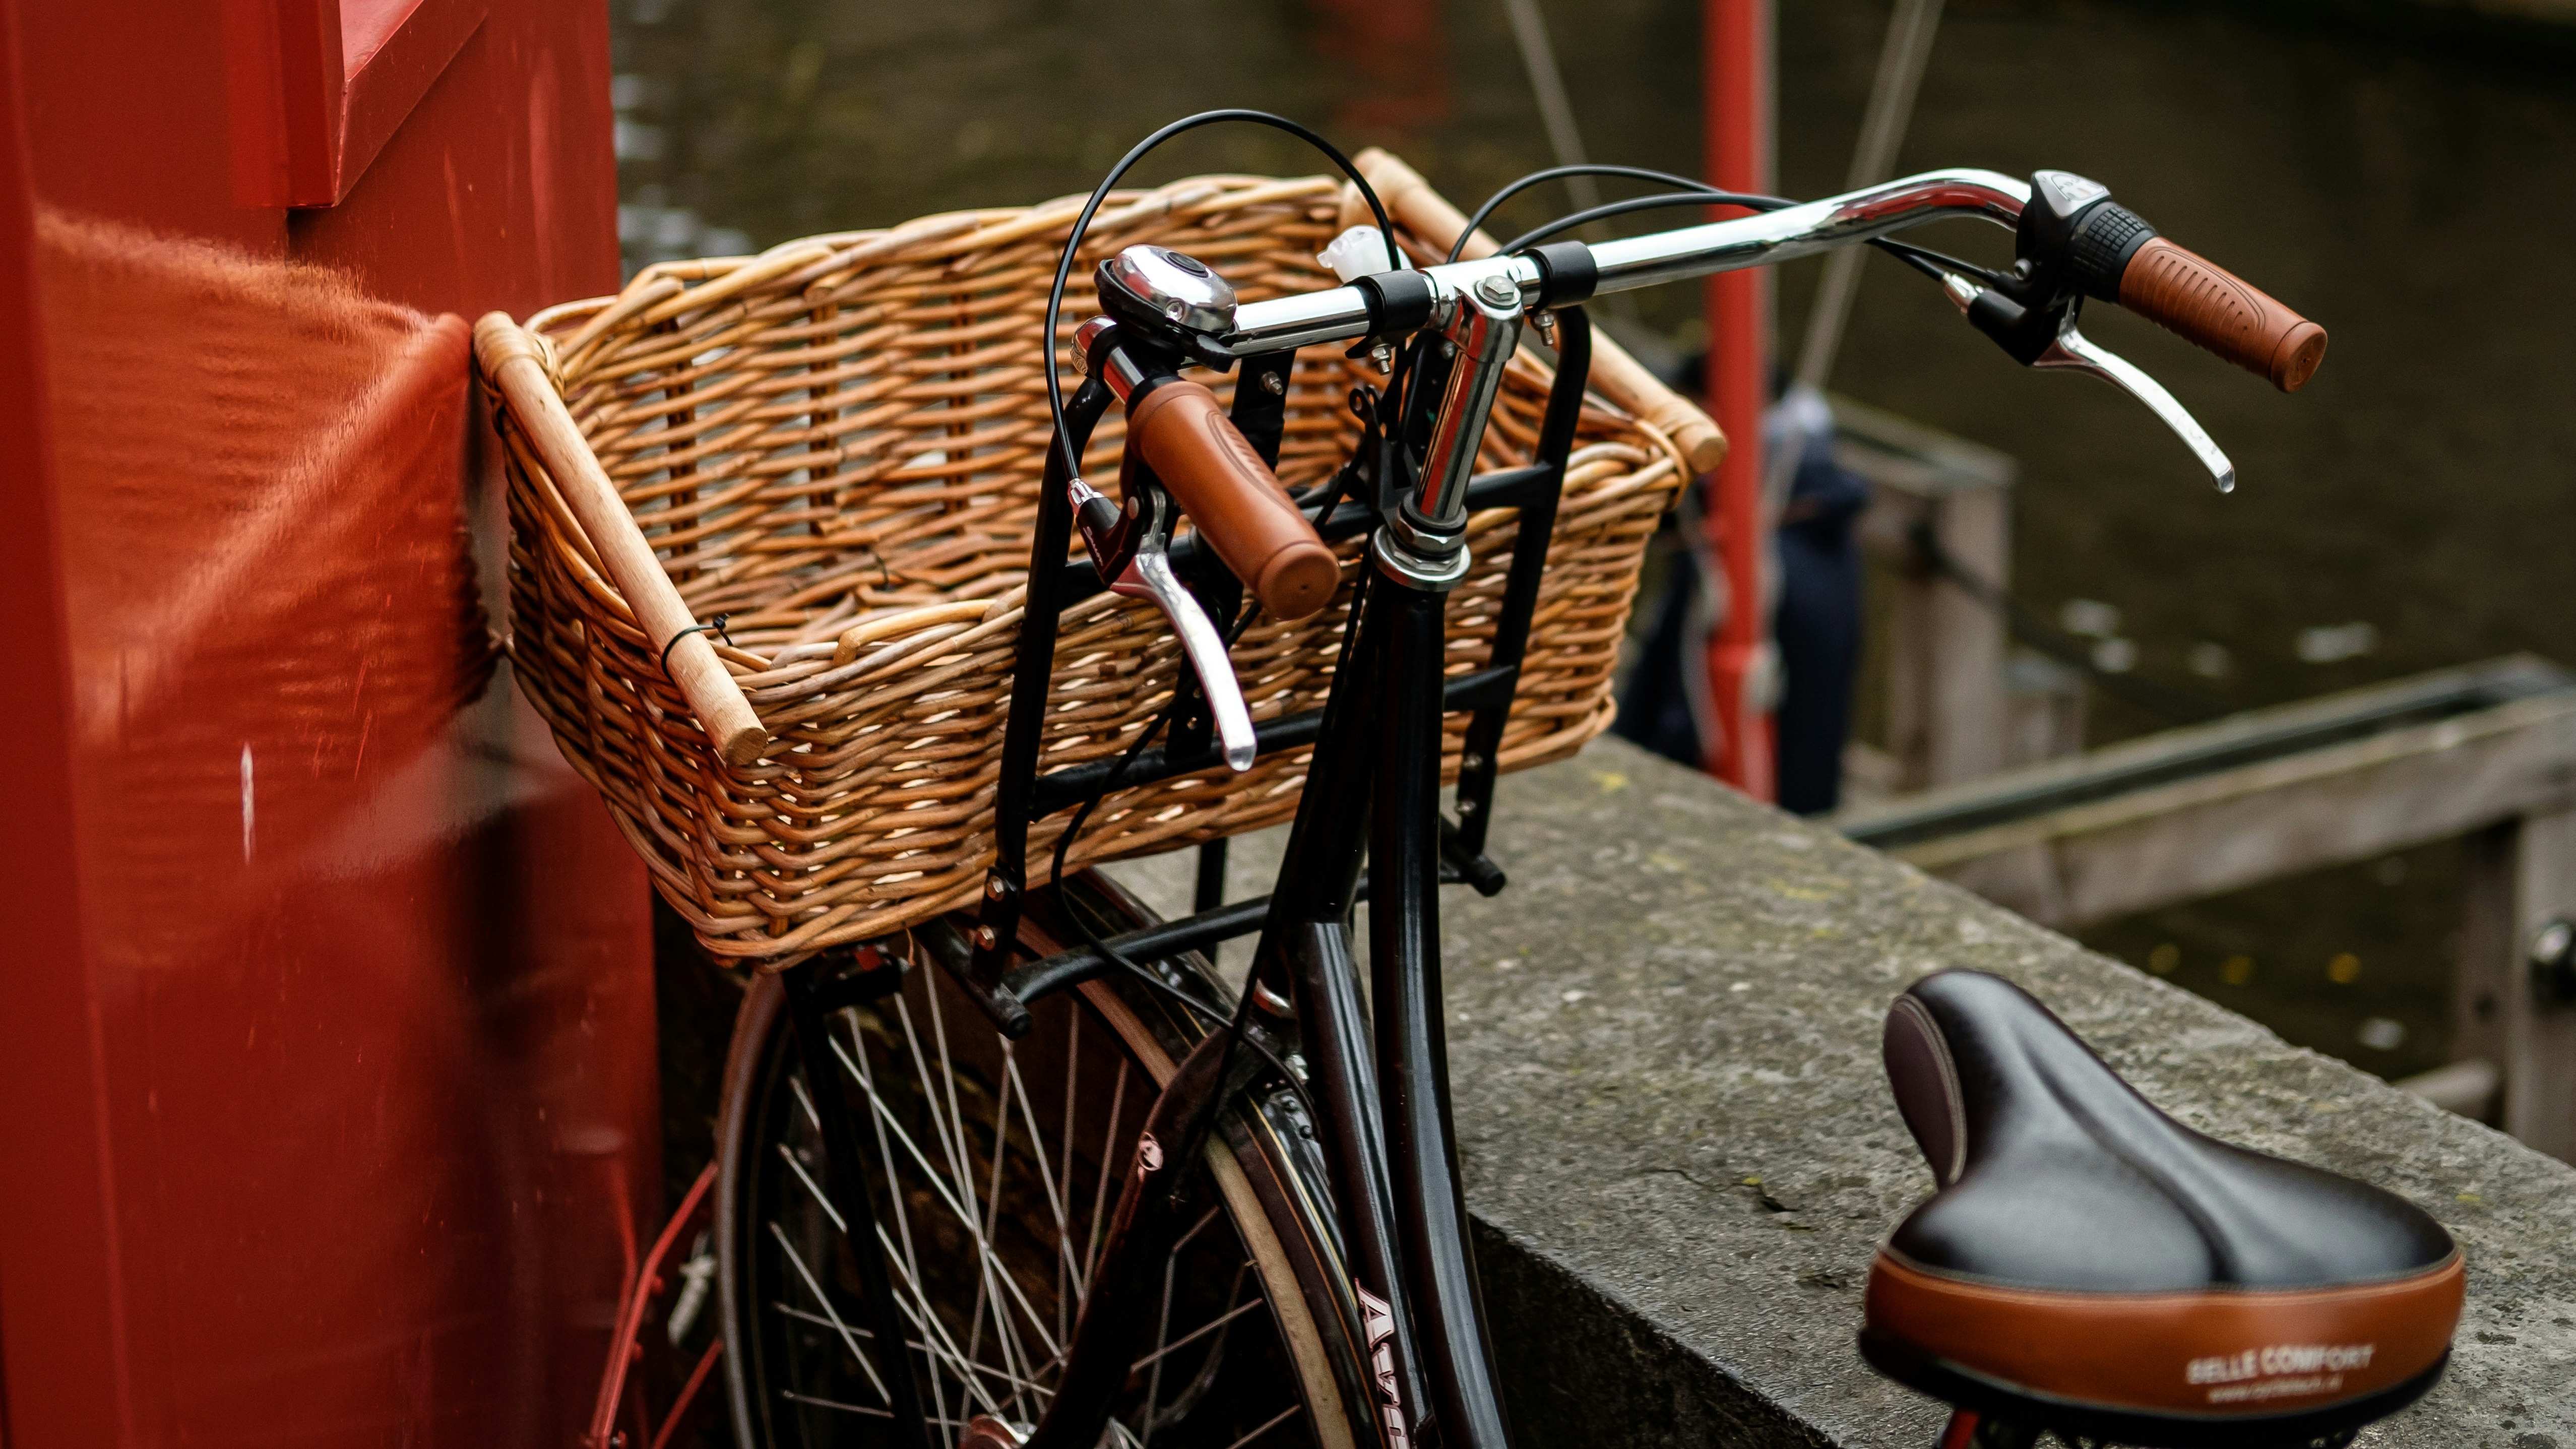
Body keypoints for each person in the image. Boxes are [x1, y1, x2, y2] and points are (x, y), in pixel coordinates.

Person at [1616, 370, 1869, 814]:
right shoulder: (1816, 507)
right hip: (1805, 779)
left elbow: (1682, 689)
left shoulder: (1753, 548)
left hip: (1747, 782)